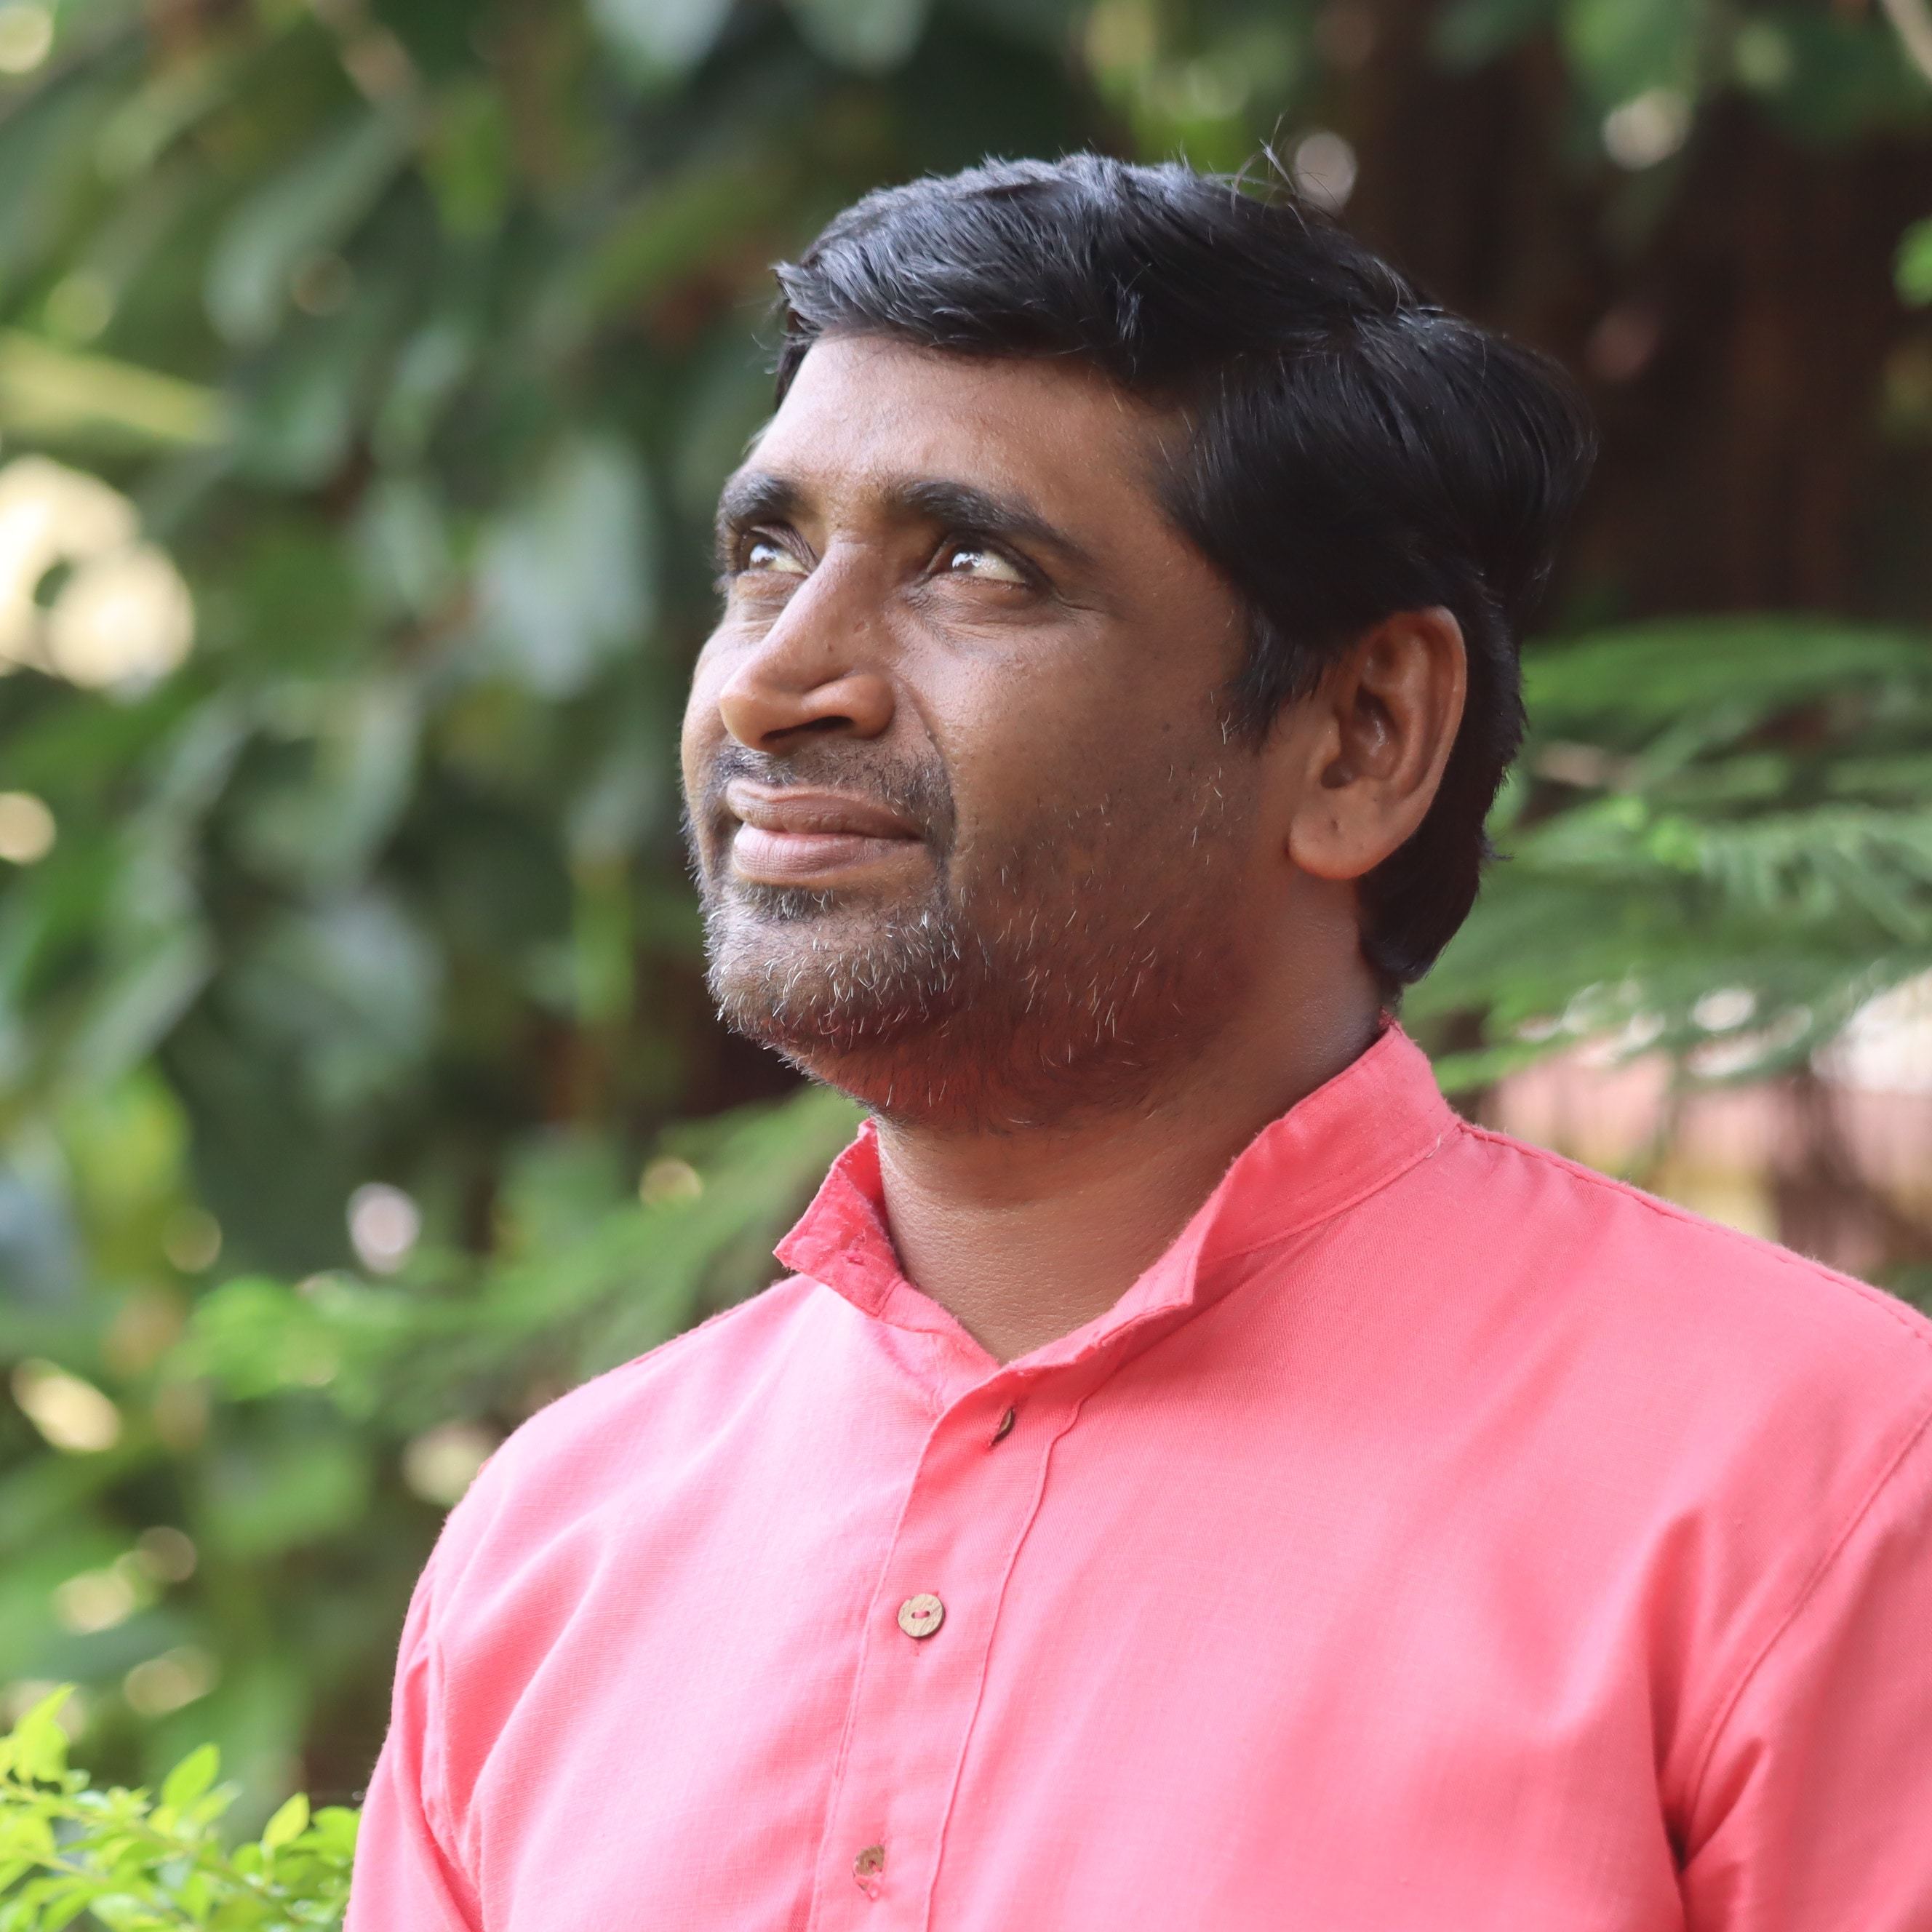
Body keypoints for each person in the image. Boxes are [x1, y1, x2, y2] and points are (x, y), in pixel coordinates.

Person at [346, 157, 1932, 1931]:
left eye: (970, 565)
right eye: (764, 554)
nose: (778, 681)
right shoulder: (557, 1542)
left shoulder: (1811, 1485)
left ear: (1360, 735)